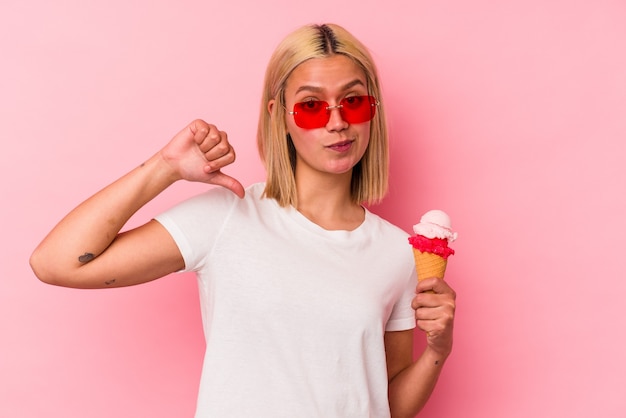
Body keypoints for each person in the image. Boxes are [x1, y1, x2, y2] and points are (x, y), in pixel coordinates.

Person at [30, 23, 456, 417]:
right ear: (280, 115)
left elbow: (387, 405)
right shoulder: (228, 217)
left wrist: (437, 349)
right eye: (311, 106)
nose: (337, 122)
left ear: (372, 109)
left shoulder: (399, 253)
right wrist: (165, 167)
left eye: (354, 101)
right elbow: (56, 262)